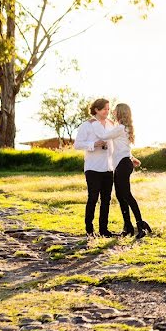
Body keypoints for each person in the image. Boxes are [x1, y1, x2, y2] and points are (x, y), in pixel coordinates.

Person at [90, 103, 152, 239]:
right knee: (120, 195)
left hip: (123, 164)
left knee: (126, 195)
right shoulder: (124, 128)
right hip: (122, 163)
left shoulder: (120, 128)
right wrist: (131, 157)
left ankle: (140, 225)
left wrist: (95, 122)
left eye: (115, 111)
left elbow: (104, 135)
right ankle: (128, 227)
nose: (112, 112)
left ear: (120, 113)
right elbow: (123, 147)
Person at [73, 98, 115, 237]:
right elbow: (77, 144)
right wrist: (93, 144)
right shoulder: (87, 125)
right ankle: (89, 229)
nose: (107, 112)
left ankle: (104, 229)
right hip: (93, 167)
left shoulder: (111, 124)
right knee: (93, 198)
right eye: (105, 109)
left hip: (108, 167)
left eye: (109, 109)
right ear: (96, 110)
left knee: (106, 199)